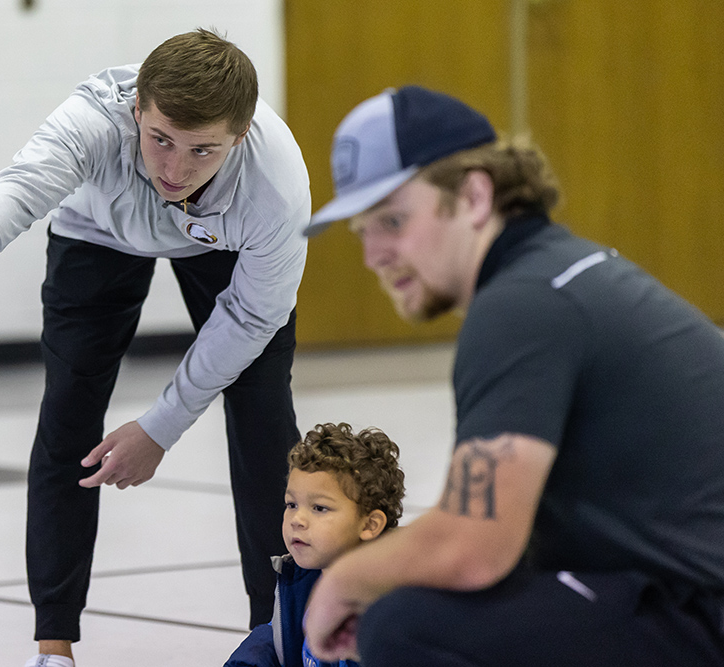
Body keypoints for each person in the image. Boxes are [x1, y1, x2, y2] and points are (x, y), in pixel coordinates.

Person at [0, 29, 311, 666]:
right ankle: (53, 646)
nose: (174, 170)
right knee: (68, 406)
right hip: (98, 233)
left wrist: (161, 427)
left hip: (222, 246)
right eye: (160, 140)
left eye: (203, 150)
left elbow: (254, 319)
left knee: (263, 414)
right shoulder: (97, 113)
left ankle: (278, 636)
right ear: (135, 111)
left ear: (242, 133)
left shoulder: (275, 185)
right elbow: (29, 178)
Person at [300, 86, 724, 666]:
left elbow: (475, 546)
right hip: (688, 590)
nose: (374, 253)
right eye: (362, 231)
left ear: (474, 195)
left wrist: (343, 580)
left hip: (702, 613)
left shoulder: (519, 306)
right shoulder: (560, 273)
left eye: (393, 221)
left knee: (408, 626)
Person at [225, 422, 405, 667]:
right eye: (291, 505)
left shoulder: (383, 609)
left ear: (369, 525)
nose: (297, 520)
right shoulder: (303, 579)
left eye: (319, 508)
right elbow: (274, 637)